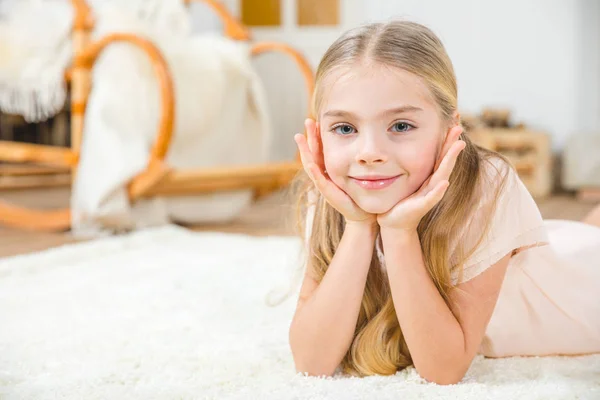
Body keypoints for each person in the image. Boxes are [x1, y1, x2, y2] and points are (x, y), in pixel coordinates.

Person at [287, 20, 600, 385]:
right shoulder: (330, 195)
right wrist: (359, 226)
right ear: (318, 133)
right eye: (344, 129)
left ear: (450, 128)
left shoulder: (488, 184)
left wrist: (399, 232)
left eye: (401, 126)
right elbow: (311, 362)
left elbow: (443, 370)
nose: (369, 153)